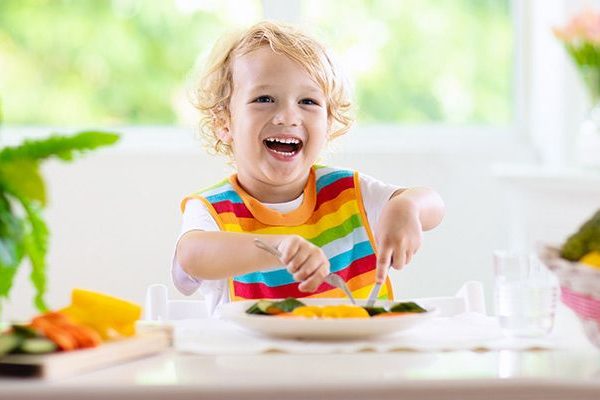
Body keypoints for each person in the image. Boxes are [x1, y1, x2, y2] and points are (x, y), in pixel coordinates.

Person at [172, 21, 445, 314]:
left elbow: (434, 206)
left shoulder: (350, 194)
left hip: (357, 357)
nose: (288, 116)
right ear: (224, 123)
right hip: (249, 360)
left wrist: (406, 207)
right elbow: (191, 256)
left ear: (329, 123)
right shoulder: (212, 209)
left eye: (308, 101)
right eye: (264, 99)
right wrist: (275, 247)